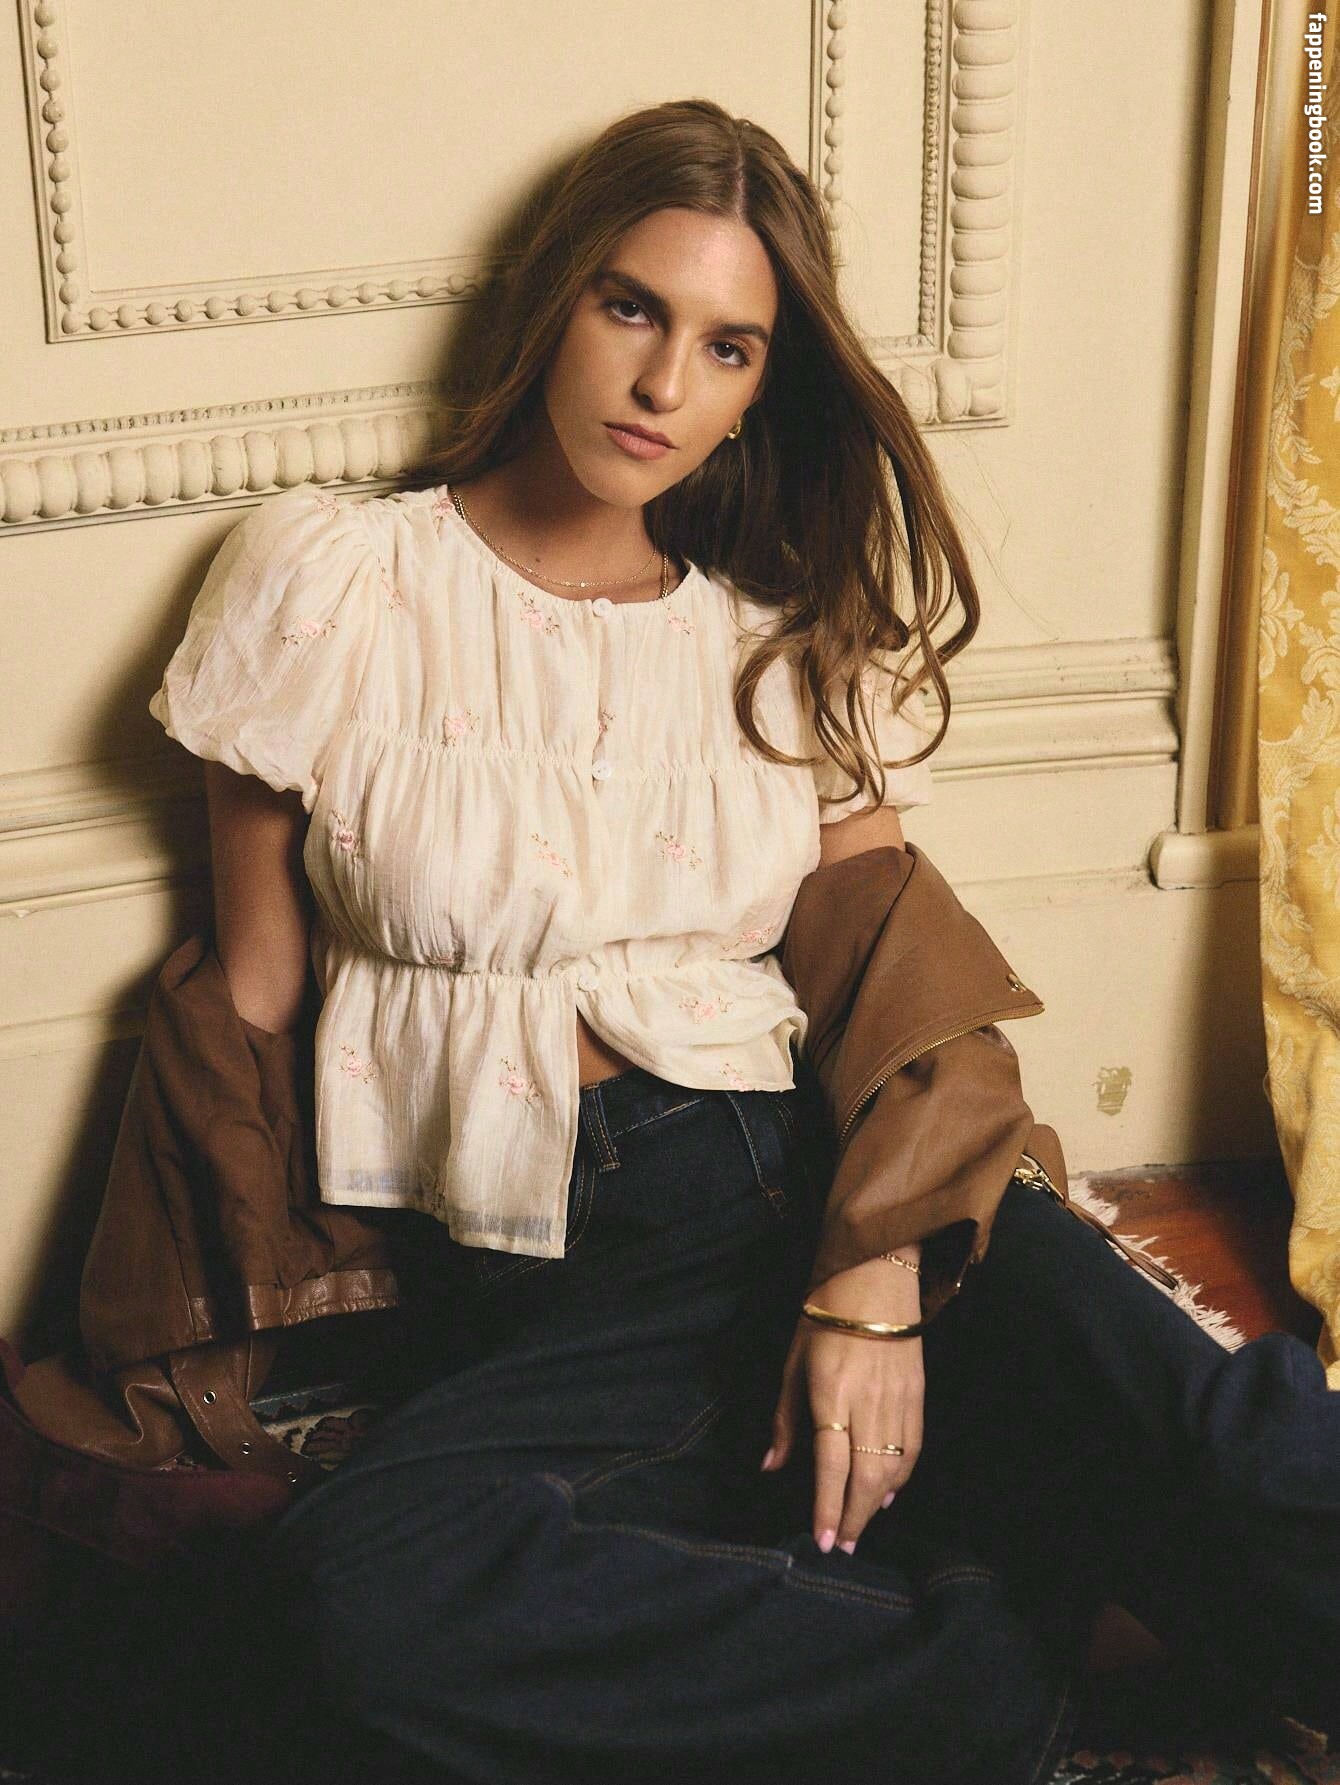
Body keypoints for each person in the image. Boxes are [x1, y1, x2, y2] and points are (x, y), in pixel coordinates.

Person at [145, 99, 1340, 1785]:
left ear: (763, 386)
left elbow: (887, 974)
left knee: (1226, 1444)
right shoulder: (333, 584)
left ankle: (1036, 1550)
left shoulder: (779, 646)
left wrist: (877, 1270)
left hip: (812, 1181)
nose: (661, 384)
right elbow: (253, 1003)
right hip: (561, 1300)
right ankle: (1002, 1672)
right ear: (556, 298)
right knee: (352, 1604)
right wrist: (172, 1354)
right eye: (631, 307)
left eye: (727, 347)